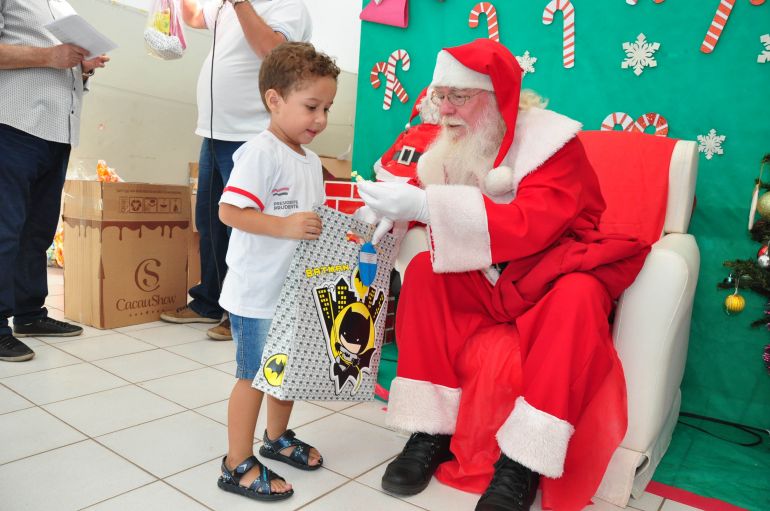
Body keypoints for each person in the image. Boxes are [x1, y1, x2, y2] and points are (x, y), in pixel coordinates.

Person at [356, 39, 650, 511]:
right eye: (439, 96)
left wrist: (427, 206)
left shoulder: (554, 145)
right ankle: (431, 431)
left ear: (495, 97)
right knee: (428, 277)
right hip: (490, 276)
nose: (444, 109)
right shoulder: (458, 138)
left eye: (458, 97)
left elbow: (535, 222)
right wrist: (393, 212)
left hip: (551, 272)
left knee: (577, 299)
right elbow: (425, 186)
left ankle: (523, 462)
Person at [214, 41, 339, 501]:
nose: (321, 118)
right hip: (257, 294)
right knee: (252, 374)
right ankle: (235, 463)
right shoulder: (260, 153)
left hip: (293, 293)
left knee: (284, 372)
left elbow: (314, 222)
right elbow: (229, 211)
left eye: (326, 107)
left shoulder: (309, 161)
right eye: (311, 106)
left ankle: (276, 438)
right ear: (274, 99)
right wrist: (284, 225)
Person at [161, 0, 311, 342]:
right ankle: (210, 301)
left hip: (251, 134)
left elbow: (274, 52)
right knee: (210, 223)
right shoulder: (227, 7)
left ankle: (243, 310)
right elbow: (194, 17)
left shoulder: (287, 6)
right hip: (215, 132)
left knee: (246, 227)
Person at [0, 1, 109, 362]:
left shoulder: (60, 4)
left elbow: (59, 64)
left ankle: (30, 314)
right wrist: (50, 56)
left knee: (38, 231)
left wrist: (82, 67)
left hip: (56, 132)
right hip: (11, 123)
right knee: (5, 230)